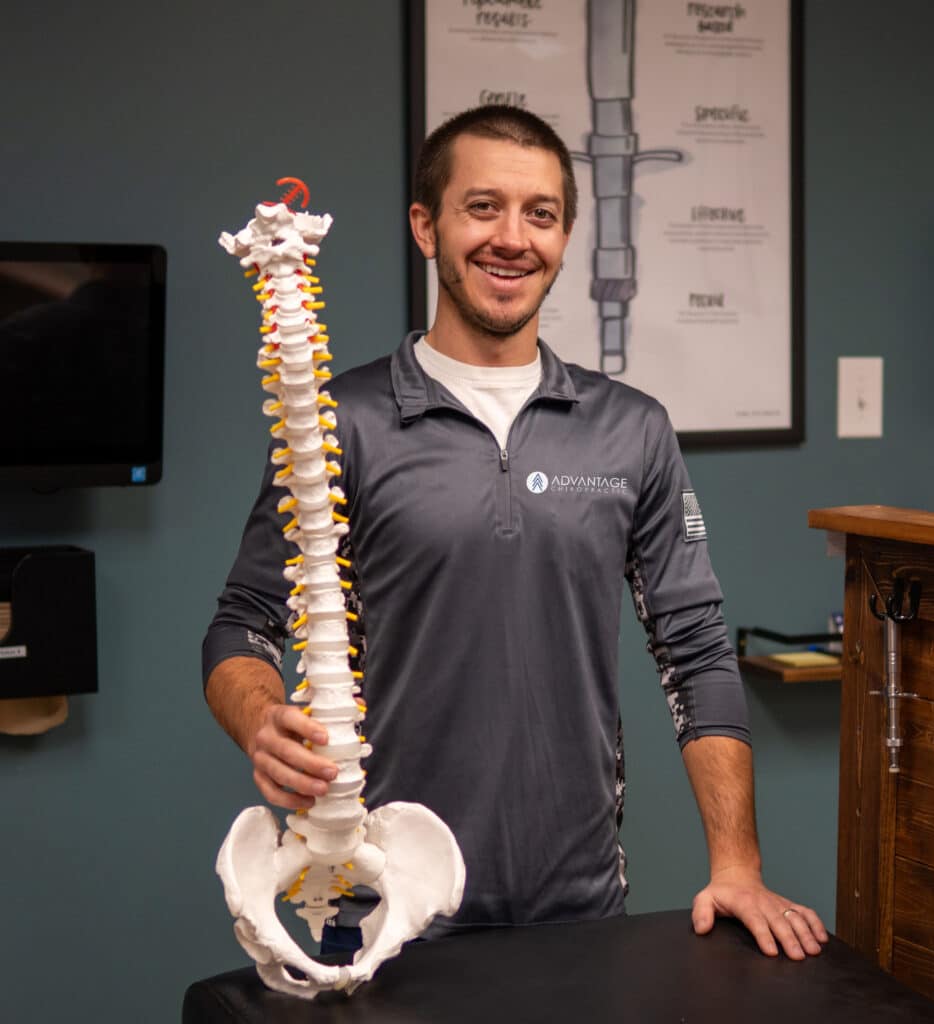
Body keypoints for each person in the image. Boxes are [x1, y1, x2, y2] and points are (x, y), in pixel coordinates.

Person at [203, 105, 827, 961]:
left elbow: (697, 650)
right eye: (482, 207)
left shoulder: (631, 429)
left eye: (539, 213)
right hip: (378, 904)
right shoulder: (340, 421)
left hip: (576, 903)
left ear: (566, 236)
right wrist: (262, 717)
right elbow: (241, 622)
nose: (512, 238)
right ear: (426, 225)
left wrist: (738, 863)